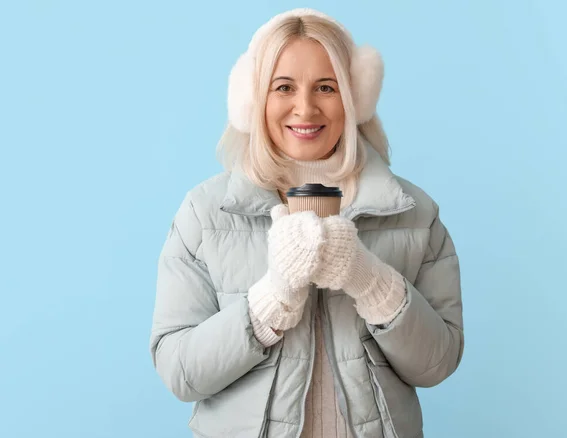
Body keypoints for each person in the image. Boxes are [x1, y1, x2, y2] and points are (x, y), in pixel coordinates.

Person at [149, 8, 464, 438]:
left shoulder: (412, 212)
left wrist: (368, 279)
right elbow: (180, 372)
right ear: (255, 99)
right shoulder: (205, 213)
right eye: (284, 87)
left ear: (354, 97)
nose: (305, 107)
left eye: (326, 87)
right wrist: (271, 299)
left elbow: (438, 363)